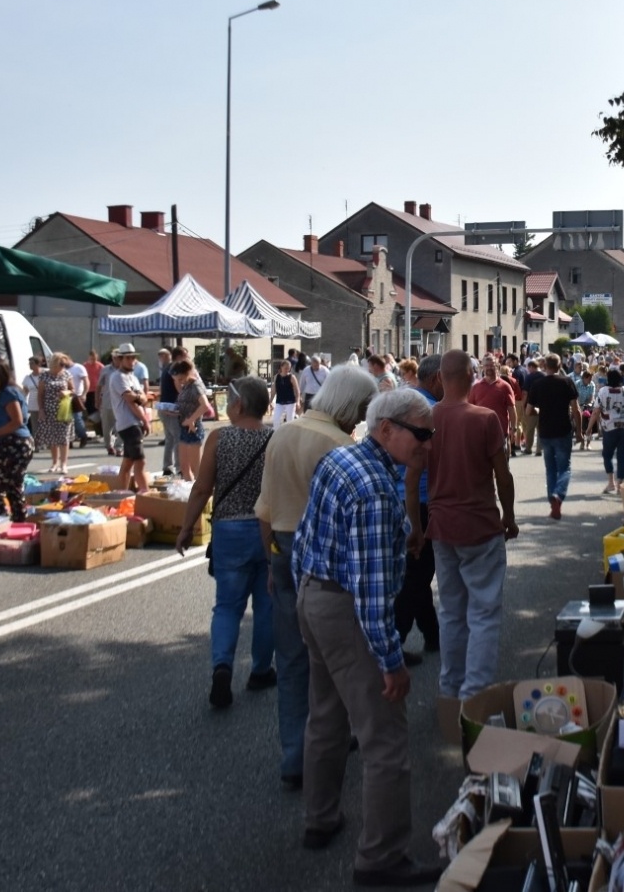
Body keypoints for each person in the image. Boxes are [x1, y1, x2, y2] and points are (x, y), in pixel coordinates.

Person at [289, 388, 442, 883]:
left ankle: (320, 818)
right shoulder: (377, 489)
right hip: (346, 610)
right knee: (385, 740)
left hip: (313, 596)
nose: (428, 444)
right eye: (422, 434)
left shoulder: (343, 459)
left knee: (326, 717)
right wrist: (391, 662)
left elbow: (309, 537)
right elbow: (374, 599)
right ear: (387, 429)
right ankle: (382, 858)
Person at [254, 365, 379, 790]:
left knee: (290, 658)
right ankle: (334, 738)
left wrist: (270, 557)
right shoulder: (342, 444)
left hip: (281, 544)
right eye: (361, 407)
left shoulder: (283, 433)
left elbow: (265, 508)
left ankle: (294, 753)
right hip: (326, 555)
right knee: (339, 656)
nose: (362, 417)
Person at [405, 350, 516, 701]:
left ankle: (450, 689)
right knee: (483, 613)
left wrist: (416, 528)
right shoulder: (485, 419)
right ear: (471, 375)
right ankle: (475, 694)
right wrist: (508, 517)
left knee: (452, 611)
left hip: (441, 527)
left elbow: (411, 480)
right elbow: (503, 475)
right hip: (480, 526)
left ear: (442, 376)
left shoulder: (428, 420)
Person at [176, 376, 274, 708]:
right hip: (267, 529)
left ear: (239, 404)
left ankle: (222, 666)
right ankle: (261, 670)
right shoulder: (275, 438)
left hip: (229, 531)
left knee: (228, 606)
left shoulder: (220, 437)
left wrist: (187, 527)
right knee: (266, 605)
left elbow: (202, 488)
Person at [394, 357, 442, 666]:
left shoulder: (408, 403)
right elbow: (415, 472)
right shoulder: (428, 411)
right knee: (418, 572)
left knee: (417, 571)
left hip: (403, 495)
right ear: (438, 378)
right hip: (419, 499)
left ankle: (433, 634)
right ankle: (393, 640)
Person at [0, 360, 35, 522]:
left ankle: (0, 520)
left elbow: (16, 421)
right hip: (17, 442)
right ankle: (18, 520)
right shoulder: (4, 392)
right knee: (12, 486)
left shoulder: (8, 393)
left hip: (15, 443)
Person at [526, 354, 580, 520]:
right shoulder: (567, 382)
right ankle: (558, 495)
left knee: (550, 469)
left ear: (545, 365)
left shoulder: (537, 384)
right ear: (560, 365)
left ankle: (553, 501)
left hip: (545, 431)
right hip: (563, 429)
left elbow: (528, 411)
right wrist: (579, 431)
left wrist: (540, 410)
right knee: (565, 468)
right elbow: (576, 409)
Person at [107, 345, 150, 494]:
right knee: (140, 460)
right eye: (128, 358)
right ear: (120, 359)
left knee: (128, 462)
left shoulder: (132, 377)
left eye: (133, 357)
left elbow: (143, 398)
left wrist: (139, 397)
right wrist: (144, 420)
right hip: (129, 423)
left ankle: (121, 493)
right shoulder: (118, 377)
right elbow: (130, 400)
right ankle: (144, 491)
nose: (132, 361)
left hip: (134, 421)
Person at [595, 369, 624, 494]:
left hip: (609, 427)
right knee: (622, 457)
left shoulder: (603, 391)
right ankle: (620, 484)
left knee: (607, 455)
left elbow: (596, 410)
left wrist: (589, 428)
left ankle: (611, 482)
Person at [33, 353, 73, 473]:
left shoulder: (66, 374)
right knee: (52, 438)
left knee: (64, 437)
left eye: (64, 365)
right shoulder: (44, 376)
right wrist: (41, 410)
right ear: (54, 363)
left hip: (63, 409)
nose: (62, 367)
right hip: (49, 409)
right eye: (61, 364)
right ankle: (55, 462)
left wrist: (67, 392)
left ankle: (64, 464)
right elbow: (40, 395)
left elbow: (73, 390)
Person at [468, 356, 516, 455]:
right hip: (481, 434)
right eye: (486, 365)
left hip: (501, 433)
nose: (489, 368)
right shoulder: (475, 388)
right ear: (482, 367)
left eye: (492, 365)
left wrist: (513, 429)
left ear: (497, 366)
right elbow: (470, 410)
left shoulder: (505, 386)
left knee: (503, 468)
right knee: (483, 468)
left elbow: (511, 409)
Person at [170, 361, 208, 480]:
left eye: (181, 378)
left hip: (194, 428)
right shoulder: (186, 385)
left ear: (188, 373)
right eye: (177, 380)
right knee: (184, 467)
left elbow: (205, 406)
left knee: (196, 468)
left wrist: (191, 419)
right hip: (184, 427)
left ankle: (202, 495)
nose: (180, 382)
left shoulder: (195, 386)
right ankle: (189, 493)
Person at [157, 346, 186, 477]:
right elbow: (177, 384)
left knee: (169, 438)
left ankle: (167, 466)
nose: (187, 359)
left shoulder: (167, 367)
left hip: (164, 406)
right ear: (179, 356)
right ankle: (179, 468)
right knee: (177, 438)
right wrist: (185, 394)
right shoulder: (174, 368)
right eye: (185, 356)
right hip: (171, 408)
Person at [66, 353, 91, 449]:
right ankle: (70, 440)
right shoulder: (63, 369)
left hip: (77, 396)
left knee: (77, 418)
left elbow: (86, 381)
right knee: (67, 419)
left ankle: (83, 436)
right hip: (66, 397)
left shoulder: (79, 368)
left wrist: (84, 393)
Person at [270, 360, 301, 428]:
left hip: (290, 402)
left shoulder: (292, 377)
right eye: (285, 368)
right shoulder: (276, 377)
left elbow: (297, 390)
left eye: (289, 368)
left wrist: (298, 402)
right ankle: (276, 433)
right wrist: (270, 401)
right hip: (279, 401)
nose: (287, 369)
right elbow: (274, 390)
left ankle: (289, 435)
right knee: (276, 419)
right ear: (281, 367)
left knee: (290, 420)